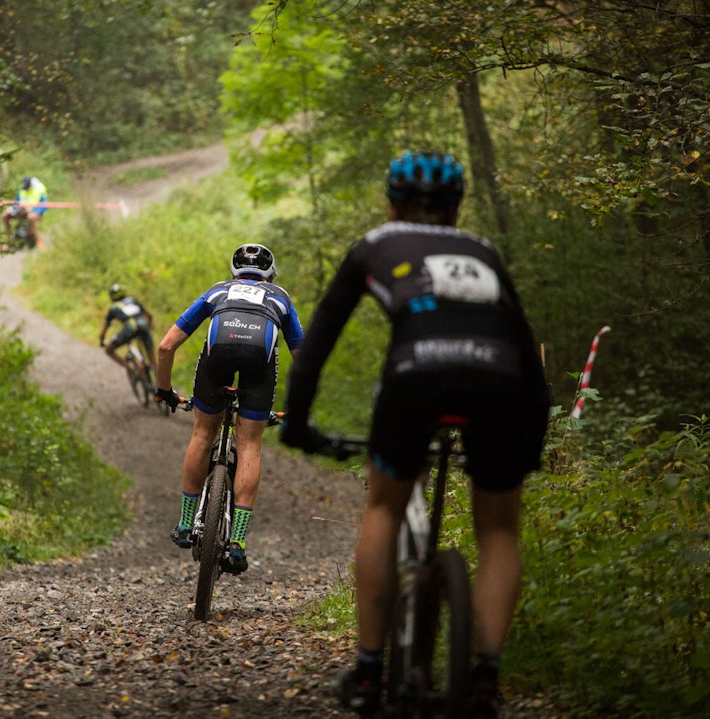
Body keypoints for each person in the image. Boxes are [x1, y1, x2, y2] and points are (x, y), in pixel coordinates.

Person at [279, 151, 550, 718]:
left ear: (391, 202)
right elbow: (527, 355)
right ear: (457, 210)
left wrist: (299, 425)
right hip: (499, 384)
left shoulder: (375, 244)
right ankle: (485, 678)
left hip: (415, 377)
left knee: (384, 506)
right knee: (499, 530)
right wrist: (534, 442)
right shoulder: (484, 252)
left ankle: (370, 669)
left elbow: (315, 348)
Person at [155, 244, 305, 574]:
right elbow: (306, 360)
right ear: (271, 274)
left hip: (217, 356)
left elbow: (166, 345)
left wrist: (164, 391)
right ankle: (237, 542)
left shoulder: (218, 291)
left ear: (234, 272)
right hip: (258, 363)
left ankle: (184, 524)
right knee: (249, 444)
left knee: (202, 431)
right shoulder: (279, 297)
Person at [99, 283, 156, 370]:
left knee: (109, 350)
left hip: (130, 328)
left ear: (112, 297)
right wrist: (149, 326)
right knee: (152, 359)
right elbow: (149, 315)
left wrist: (102, 341)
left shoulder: (113, 308)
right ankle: (157, 375)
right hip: (144, 325)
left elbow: (103, 331)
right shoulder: (132, 300)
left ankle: (130, 368)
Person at [2, 176, 48, 249]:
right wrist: (14, 209)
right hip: (21, 210)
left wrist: (32, 210)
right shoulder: (22, 189)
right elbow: (16, 202)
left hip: (35, 212)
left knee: (31, 217)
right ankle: (9, 239)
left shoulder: (39, 190)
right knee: (5, 215)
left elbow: (44, 206)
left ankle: (38, 240)